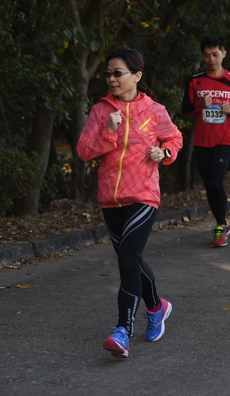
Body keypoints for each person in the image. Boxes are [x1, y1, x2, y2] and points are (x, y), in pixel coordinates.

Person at [77, 46, 183, 358]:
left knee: (127, 260)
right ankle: (156, 307)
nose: (111, 79)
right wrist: (108, 132)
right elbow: (83, 150)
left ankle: (123, 331)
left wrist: (164, 152)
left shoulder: (154, 110)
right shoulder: (100, 111)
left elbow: (174, 137)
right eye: (108, 73)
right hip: (110, 198)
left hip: (143, 195)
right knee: (131, 260)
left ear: (136, 76)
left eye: (117, 73)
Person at [181, 35, 230, 247]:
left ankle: (220, 226)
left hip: (226, 138)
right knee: (209, 183)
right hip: (203, 140)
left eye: (215, 54)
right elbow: (185, 110)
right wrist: (199, 104)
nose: (211, 59)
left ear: (224, 54)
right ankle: (224, 223)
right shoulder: (195, 80)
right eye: (207, 55)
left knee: (216, 181)